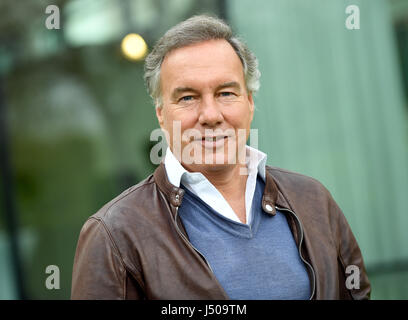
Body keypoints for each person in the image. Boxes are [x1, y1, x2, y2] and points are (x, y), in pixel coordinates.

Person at [71, 15, 370, 300]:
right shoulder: (114, 235)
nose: (211, 115)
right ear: (161, 115)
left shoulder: (313, 202)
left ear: (249, 103)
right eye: (187, 97)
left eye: (226, 93)